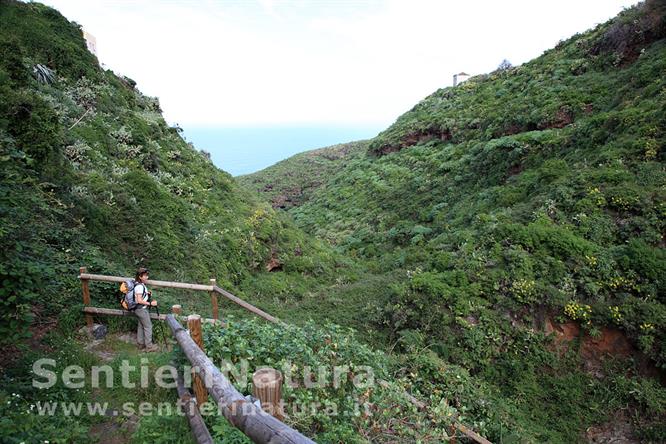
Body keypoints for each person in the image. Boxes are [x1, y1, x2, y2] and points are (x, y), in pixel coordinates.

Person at [133, 267, 160, 352]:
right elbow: (139, 300)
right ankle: (149, 346)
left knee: (141, 326)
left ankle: (140, 344)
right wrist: (151, 303)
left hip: (138, 309)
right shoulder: (140, 287)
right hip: (141, 309)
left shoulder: (139, 285)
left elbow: (139, 296)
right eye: (145, 276)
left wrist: (147, 294)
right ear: (140, 277)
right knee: (148, 326)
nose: (147, 277)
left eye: (147, 275)